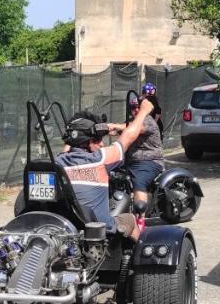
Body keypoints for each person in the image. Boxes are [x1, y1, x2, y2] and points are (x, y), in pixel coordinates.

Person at [56, 98, 155, 240]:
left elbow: (68, 146)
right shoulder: (100, 159)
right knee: (130, 220)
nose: (102, 144)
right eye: (97, 140)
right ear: (88, 142)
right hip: (97, 229)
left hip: (67, 226)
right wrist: (144, 111)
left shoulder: (58, 162)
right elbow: (129, 136)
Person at [126, 83, 165, 214]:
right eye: (133, 108)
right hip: (133, 160)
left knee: (139, 181)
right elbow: (125, 128)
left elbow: (136, 129)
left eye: (138, 107)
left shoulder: (148, 120)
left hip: (150, 160)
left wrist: (116, 127)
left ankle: (140, 218)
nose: (135, 110)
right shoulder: (133, 120)